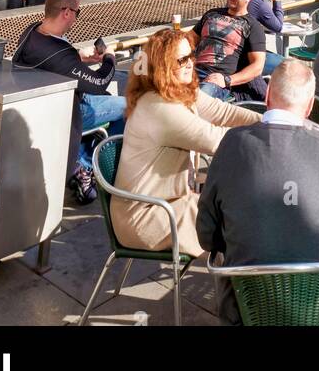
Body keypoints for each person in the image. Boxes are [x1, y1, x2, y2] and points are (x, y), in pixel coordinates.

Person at [196, 60, 319, 326]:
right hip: (317, 309)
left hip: (243, 310)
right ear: (310, 107)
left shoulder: (232, 144)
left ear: (267, 96)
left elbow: (207, 236)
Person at [111, 28, 259, 257]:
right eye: (182, 60)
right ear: (163, 66)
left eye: (191, 55)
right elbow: (218, 139)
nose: (191, 63)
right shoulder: (160, 107)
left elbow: (224, 112)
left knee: (233, 216)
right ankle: (242, 284)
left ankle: (238, 277)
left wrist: (269, 121)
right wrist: (272, 133)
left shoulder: (176, 89)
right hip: (146, 214)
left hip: (171, 202)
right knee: (238, 225)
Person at [11, 0, 126, 204]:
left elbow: (57, 63)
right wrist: (109, 57)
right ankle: (86, 165)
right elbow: (100, 83)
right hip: (66, 110)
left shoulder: (32, 31)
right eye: (76, 13)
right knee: (128, 106)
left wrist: (79, 58)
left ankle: (82, 160)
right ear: (66, 13)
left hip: (43, 105)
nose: (75, 18)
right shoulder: (59, 54)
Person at [193, 0, 267, 102]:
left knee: (198, 101)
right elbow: (189, 39)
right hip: (192, 70)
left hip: (215, 79)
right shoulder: (212, 14)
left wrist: (227, 80)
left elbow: (257, 66)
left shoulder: (253, 26)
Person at [247, 0, 285, 73]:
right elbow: (278, 27)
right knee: (287, 66)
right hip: (247, 57)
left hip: (238, 51)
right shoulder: (258, 2)